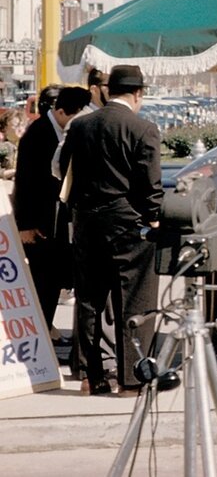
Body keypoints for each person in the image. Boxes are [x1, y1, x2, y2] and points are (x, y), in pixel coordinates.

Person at [60, 65, 163, 396]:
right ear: (137, 94)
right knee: (135, 300)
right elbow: (151, 183)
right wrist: (152, 217)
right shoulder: (143, 128)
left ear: (107, 90)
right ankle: (132, 378)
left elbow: (63, 169)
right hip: (127, 222)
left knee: (89, 300)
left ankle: (93, 377)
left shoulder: (81, 125)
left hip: (88, 221)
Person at [14, 86, 90, 334]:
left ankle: (46, 327)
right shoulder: (36, 134)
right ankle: (40, 330)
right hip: (37, 222)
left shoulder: (65, 131)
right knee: (41, 280)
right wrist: (24, 225)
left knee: (54, 278)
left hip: (57, 221)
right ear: (59, 111)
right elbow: (24, 182)